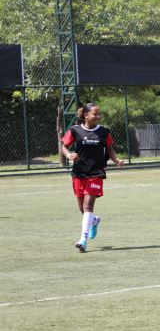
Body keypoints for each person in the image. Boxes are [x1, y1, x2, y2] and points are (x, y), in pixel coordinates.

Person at [60, 102, 124, 252]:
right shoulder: (75, 130)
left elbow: (109, 149)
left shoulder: (104, 132)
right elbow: (63, 145)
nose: (98, 116)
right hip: (79, 173)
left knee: (88, 206)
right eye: (95, 114)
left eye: (99, 114)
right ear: (86, 115)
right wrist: (69, 155)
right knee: (82, 208)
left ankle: (83, 240)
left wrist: (116, 160)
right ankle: (94, 220)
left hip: (96, 173)